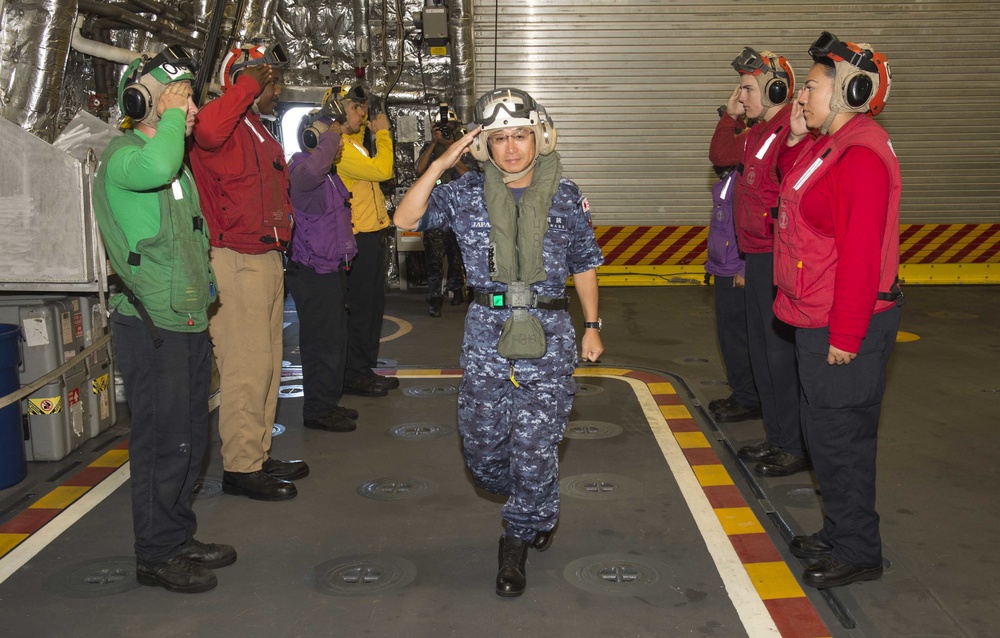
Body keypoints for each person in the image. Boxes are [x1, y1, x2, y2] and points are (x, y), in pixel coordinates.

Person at [394, 88, 605, 598]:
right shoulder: (465, 194)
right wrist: (443, 161)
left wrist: (594, 325)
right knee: (485, 453)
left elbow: (583, 262)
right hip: (487, 334)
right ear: (484, 144)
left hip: (550, 333)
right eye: (500, 137)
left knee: (534, 446)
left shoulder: (565, 193)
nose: (512, 148)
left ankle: (517, 538)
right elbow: (404, 221)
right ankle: (535, 501)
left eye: (521, 135)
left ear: (540, 136)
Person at [93, 45, 235, 593]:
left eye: (190, 99)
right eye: (178, 98)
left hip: (187, 318)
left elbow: (190, 235)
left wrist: (207, 294)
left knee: (190, 437)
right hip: (151, 323)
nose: (190, 108)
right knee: (161, 441)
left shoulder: (173, 163)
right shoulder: (127, 157)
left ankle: (177, 535)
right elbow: (154, 165)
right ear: (143, 101)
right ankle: (154, 553)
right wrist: (173, 112)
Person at [776, 32, 901, 588]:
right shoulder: (833, 145)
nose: (801, 96)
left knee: (840, 439)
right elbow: (795, 189)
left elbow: (860, 255)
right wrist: (801, 133)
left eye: (812, 86)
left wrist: (847, 335)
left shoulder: (861, 157)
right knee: (823, 431)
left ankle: (858, 550)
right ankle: (841, 530)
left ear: (851, 90)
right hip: (816, 311)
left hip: (841, 320)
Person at [189, 42, 307, 501]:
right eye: (269, 82)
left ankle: (256, 452)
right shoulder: (219, 120)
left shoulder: (255, 127)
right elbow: (210, 131)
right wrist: (246, 83)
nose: (275, 90)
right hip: (234, 260)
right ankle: (240, 466)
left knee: (267, 363)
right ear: (244, 81)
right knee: (243, 365)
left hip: (265, 257)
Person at [709, 47, 808, 476]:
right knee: (765, 352)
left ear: (776, 88)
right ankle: (778, 437)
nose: (742, 95)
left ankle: (791, 444)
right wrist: (731, 115)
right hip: (754, 255)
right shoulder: (760, 130)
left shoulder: (791, 127)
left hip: (775, 256)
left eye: (748, 88)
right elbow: (721, 155)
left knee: (778, 355)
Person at [284, 107, 359, 432]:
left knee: (333, 340)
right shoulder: (302, 170)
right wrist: (329, 136)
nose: (339, 142)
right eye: (332, 137)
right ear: (314, 136)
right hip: (313, 272)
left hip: (331, 270)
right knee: (320, 343)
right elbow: (312, 173)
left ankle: (327, 402)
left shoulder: (328, 174)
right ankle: (316, 409)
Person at [323, 85, 399, 397]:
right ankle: (354, 374)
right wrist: (383, 134)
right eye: (355, 108)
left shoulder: (352, 144)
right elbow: (383, 170)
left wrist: (364, 125)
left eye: (363, 108)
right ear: (339, 111)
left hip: (369, 235)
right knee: (362, 307)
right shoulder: (339, 147)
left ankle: (363, 369)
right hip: (357, 238)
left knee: (371, 307)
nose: (363, 114)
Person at [704, 156, 759, 424]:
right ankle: (741, 392)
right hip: (722, 267)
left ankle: (749, 397)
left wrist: (746, 267)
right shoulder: (732, 175)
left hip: (737, 270)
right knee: (728, 337)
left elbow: (755, 226)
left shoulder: (748, 178)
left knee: (739, 338)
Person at [415, 105, 472, 316]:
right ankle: (434, 299)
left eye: (449, 127)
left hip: (459, 210)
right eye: (441, 127)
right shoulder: (431, 148)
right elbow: (420, 170)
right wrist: (433, 143)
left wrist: (452, 148)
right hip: (436, 211)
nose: (446, 130)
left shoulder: (465, 147)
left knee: (458, 255)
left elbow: (469, 175)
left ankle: (458, 291)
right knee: (435, 258)